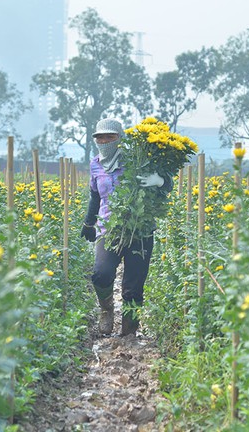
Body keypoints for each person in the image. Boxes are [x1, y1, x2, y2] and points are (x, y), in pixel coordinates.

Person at [80, 118, 172, 336]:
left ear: (120, 139)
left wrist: (159, 180)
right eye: (100, 137)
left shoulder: (137, 160)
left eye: (110, 136)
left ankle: (129, 333)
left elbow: (168, 184)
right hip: (108, 227)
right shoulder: (95, 164)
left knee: (134, 284)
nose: (104, 141)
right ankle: (106, 309)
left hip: (140, 228)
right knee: (101, 273)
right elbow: (95, 196)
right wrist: (88, 222)